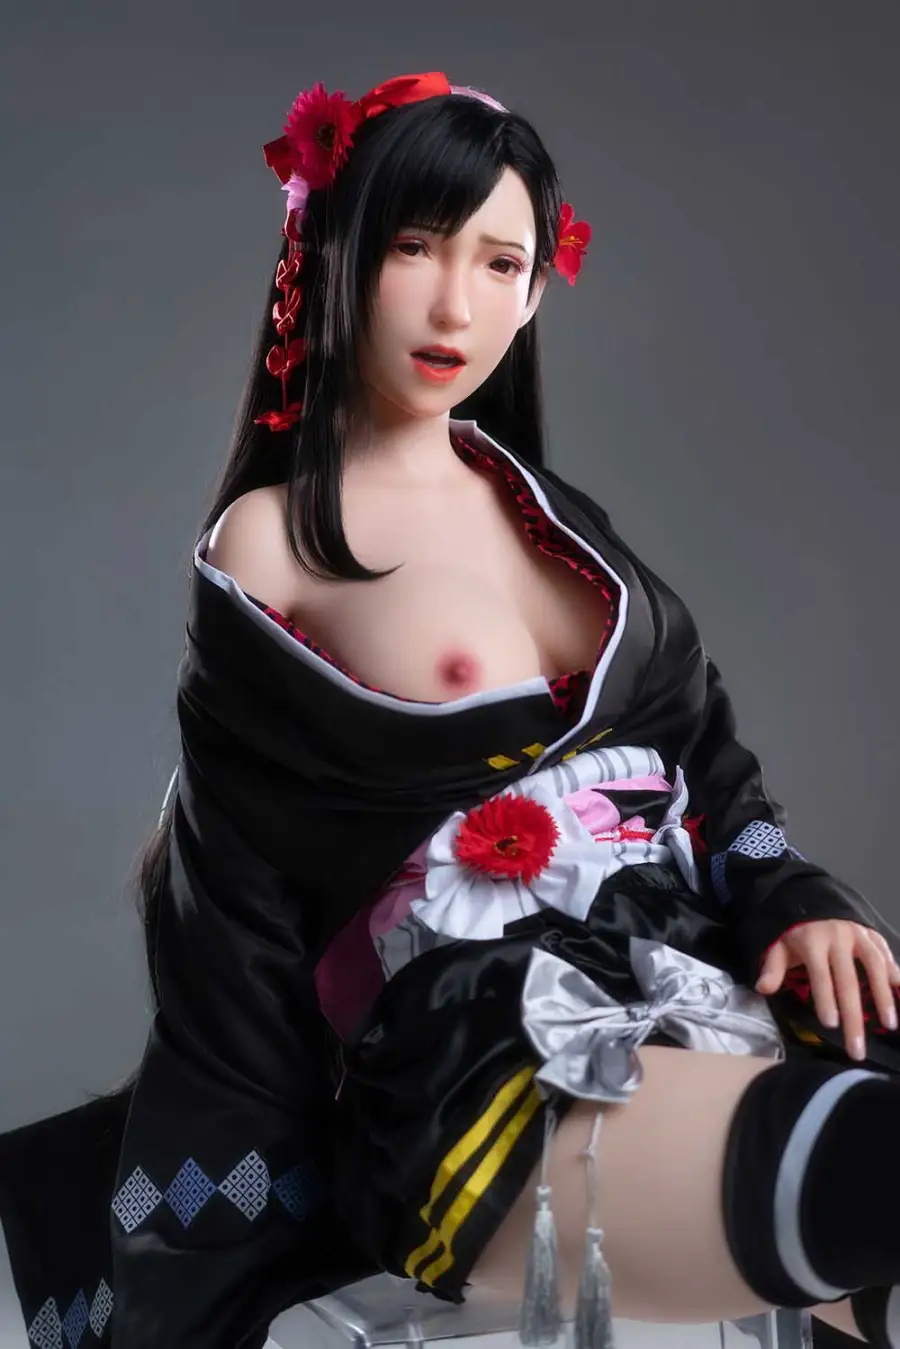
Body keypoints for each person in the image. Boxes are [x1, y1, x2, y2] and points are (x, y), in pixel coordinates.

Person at [1, 68, 899, 1349]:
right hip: (480, 1060)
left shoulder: (550, 511)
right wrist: (212, 1233)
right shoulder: (270, 543)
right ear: (332, 255)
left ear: (536, 291)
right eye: (415, 247)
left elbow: (704, 754)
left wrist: (794, 890)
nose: (454, 304)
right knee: (866, 1168)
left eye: (499, 262)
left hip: (696, 965)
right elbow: (235, 892)